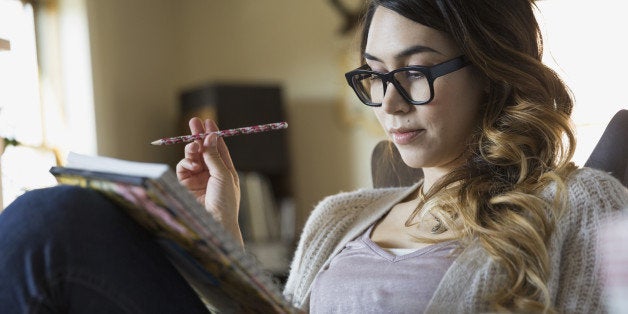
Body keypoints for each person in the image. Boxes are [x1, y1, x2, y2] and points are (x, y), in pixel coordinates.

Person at [0, 0, 626, 313]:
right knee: (56, 217)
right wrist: (222, 244)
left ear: (492, 74)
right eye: (375, 76)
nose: (390, 105)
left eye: (416, 73)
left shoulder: (580, 204)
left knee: (52, 226)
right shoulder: (339, 217)